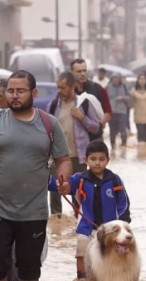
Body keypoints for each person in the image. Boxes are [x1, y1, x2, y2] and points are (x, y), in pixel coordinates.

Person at [0, 70, 72, 281]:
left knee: (29, 266)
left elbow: (63, 159)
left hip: (33, 210)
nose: (14, 96)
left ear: (33, 93)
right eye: (10, 91)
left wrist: (63, 179)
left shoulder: (49, 124)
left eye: (20, 91)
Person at [61, 140, 130, 281]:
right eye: (93, 159)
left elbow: (123, 201)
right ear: (86, 160)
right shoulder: (79, 179)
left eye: (101, 159)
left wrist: (124, 221)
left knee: (115, 254)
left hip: (111, 229)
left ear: (108, 160)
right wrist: (60, 186)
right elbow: (63, 186)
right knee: (82, 252)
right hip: (86, 227)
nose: (97, 163)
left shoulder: (114, 179)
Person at [48, 71, 101, 215]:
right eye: (58, 87)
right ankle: (57, 225)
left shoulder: (84, 104)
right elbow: (46, 130)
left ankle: (79, 223)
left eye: (63, 87)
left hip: (79, 156)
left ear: (73, 87)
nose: (60, 91)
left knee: (79, 192)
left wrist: (82, 117)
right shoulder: (53, 106)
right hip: (58, 156)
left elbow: (96, 127)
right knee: (54, 192)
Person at [70, 59, 112, 139]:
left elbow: (108, 112)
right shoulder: (67, 91)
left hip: (94, 137)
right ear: (71, 72)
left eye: (84, 70)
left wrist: (99, 124)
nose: (82, 74)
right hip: (74, 138)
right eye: (79, 71)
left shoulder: (98, 89)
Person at [106, 73, 130, 154]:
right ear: (112, 79)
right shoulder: (108, 87)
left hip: (122, 111)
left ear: (120, 79)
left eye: (117, 78)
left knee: (123, 129)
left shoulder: (124, 86)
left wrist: (123, 98)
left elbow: (130, 97)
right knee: (112, 131)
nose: (116, 80)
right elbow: (104, 99)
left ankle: (124, 147)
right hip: (111, 112)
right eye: (114, 78)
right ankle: (113, 148)